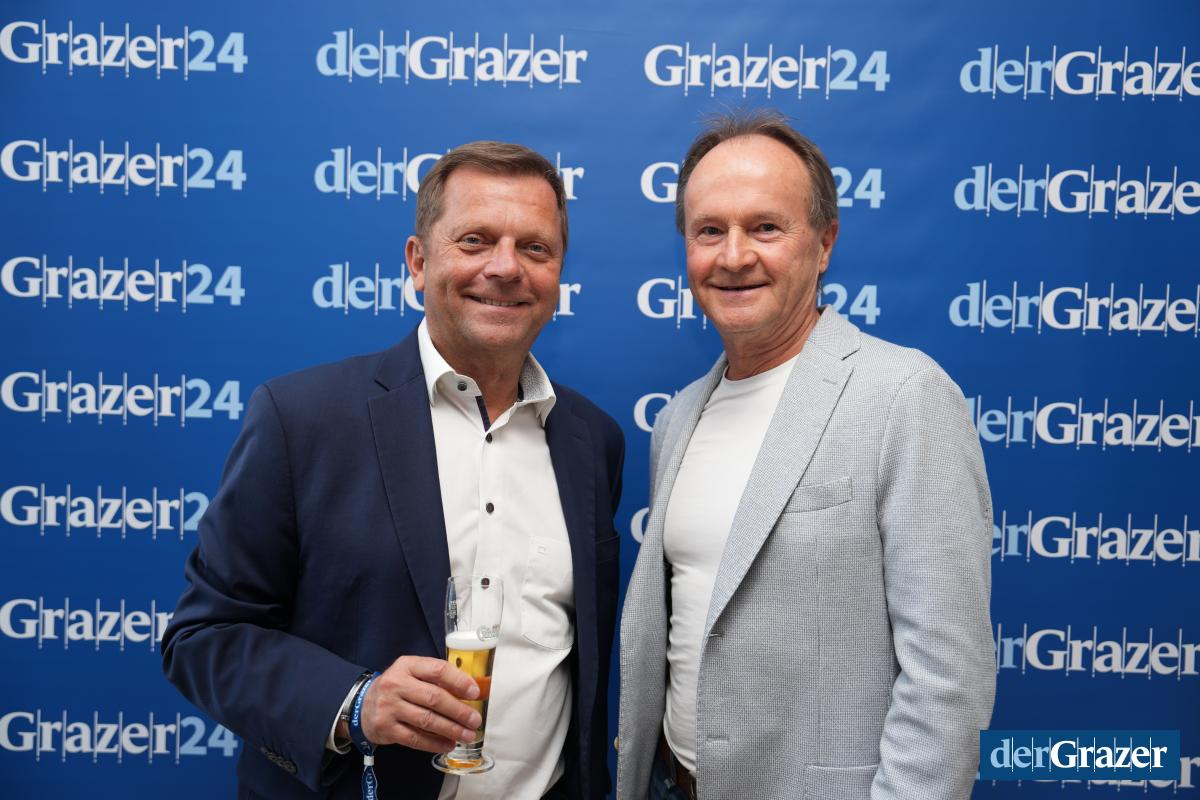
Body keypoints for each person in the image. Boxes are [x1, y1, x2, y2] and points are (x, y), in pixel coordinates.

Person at [163, 141, 625, 800]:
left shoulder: (592, 441)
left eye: (535, 248)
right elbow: (204, 636)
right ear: (418, 262)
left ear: (557, 274)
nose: (505, 267)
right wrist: (354, 703)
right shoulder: (300, 420)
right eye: (475, 240)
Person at [616, 110, 994, 800]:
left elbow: (948, 679)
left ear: (824, 244)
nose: (734, 256)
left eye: (765, 227)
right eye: (709, 231)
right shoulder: (676, 420)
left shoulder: (903, 395)